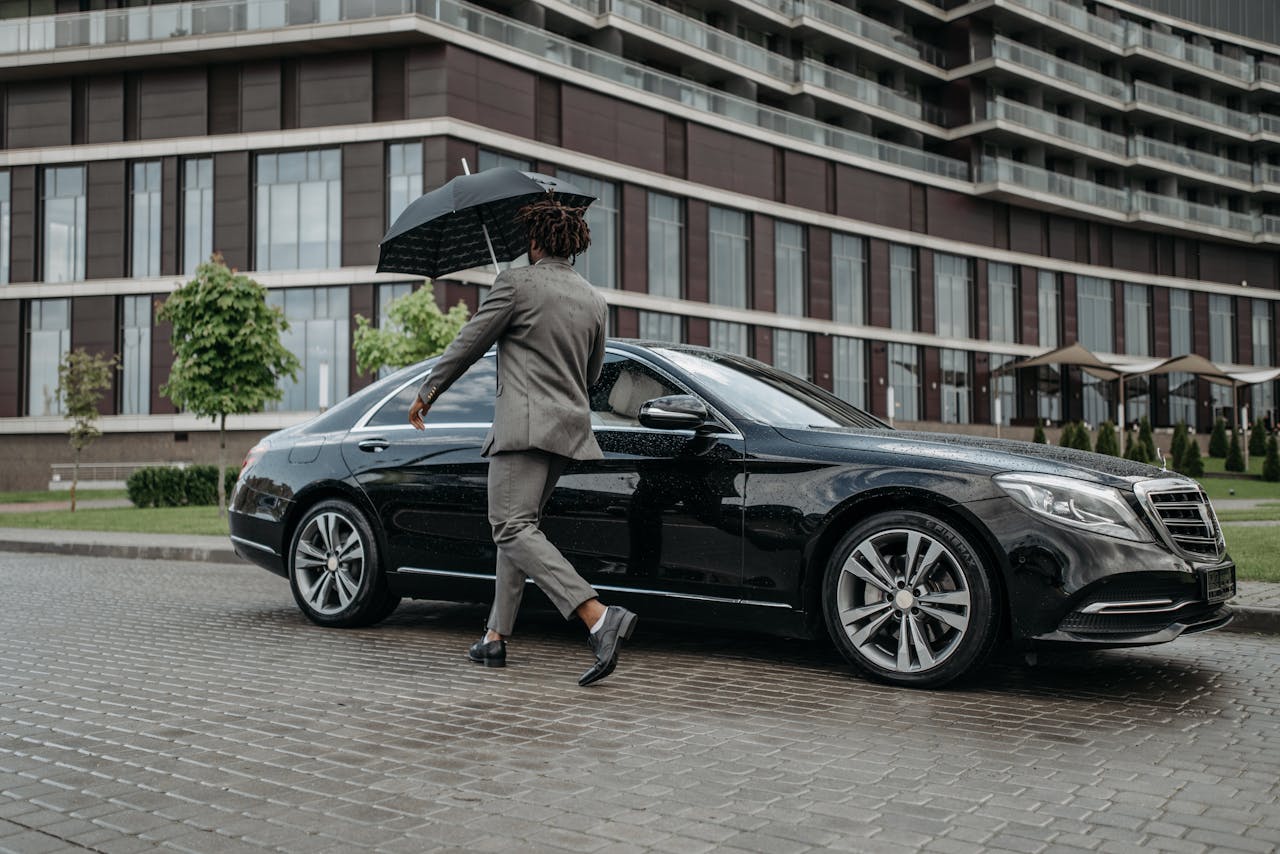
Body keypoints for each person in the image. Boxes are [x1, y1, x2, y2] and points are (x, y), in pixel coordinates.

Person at [408, 196, 638, 686]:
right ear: (571, 246)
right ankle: (495, 636)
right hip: (568, 430)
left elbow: (469, 343)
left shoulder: (515, 283)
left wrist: (428, 391)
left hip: (524, 427)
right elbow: (591, 374)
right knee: (520, 526)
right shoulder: (594, 299)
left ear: (534, 241)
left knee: (510, 526)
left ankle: (598, 616)